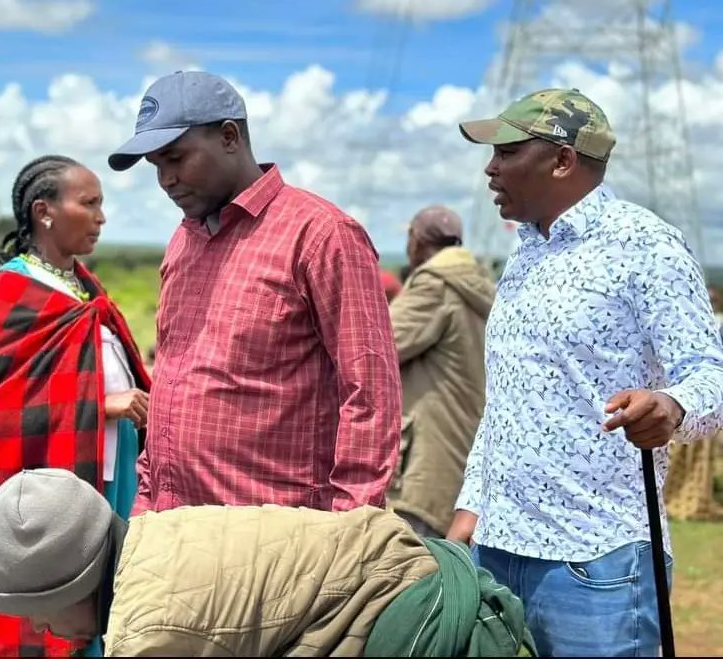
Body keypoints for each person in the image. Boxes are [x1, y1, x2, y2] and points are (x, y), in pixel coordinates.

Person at [450, 88, 723, 656]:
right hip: (498, 547)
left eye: (506, 151)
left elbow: (709, 373)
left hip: (597, 560)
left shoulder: (645, 245)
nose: (490, 167)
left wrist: (672, 408)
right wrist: (472, 502)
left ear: (561, 160)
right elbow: (508, 399)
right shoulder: (526, 252)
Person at [108, 70, 401, 515]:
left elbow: (370, 393)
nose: (165, 179)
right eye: (156, 167)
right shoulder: (184, 241)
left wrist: (350, 528)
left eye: (175, 158)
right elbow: (171, 377)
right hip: (174, 527)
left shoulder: (321, 235)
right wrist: (147, 501)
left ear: (229, 136)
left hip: (278, 542)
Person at [0, 468, 536, 657]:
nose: (42, 629)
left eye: (41, 610)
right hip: (414, 568)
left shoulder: (146, 628)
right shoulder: (150, 536)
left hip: (423, 626)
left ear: (77, 584)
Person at [0, 155, 151, 658]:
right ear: (44, 212)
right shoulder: (5, 293)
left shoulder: (85, 288)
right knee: (60, 600)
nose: (102, 217)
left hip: (110, 469)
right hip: (50, 490)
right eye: (89, 204)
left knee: (111, 595)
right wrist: (102, 405)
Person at [386, 205, 494, 540]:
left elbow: (374, 349)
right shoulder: (478, 285)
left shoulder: (433, 288)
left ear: (416, 242)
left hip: (426, 463)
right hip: (465, 455)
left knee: (412, 574)